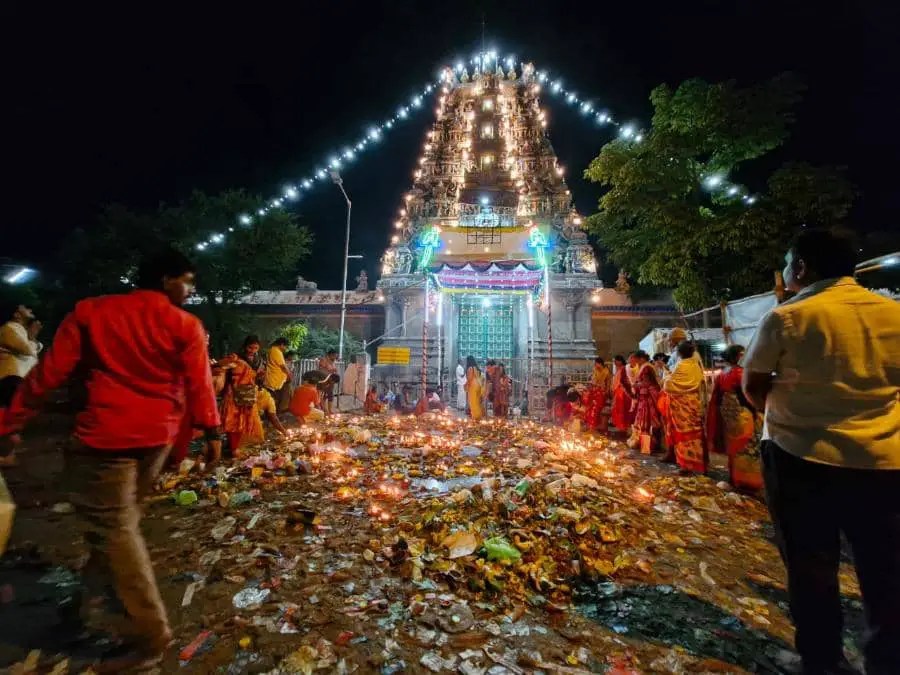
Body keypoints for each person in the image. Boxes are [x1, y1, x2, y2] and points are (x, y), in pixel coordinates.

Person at [0, 248, 220, 671]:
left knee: (114, 530)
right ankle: (85, 613)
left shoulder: (92, 312)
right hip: (152, 440)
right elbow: (199, 384)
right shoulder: (183, 324)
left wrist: (11, 424)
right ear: (164, 279)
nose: (191, 291)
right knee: (116, 530)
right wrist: (210, 433)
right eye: (187, 281)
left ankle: (150, 634)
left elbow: (49, 374)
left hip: (109, 438)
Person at [742, 227, 900, 675]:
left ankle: (822, 661)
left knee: (811, 566)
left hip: (800, 456)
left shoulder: (789, 316)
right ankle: (887, 661)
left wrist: (794, 409)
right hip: (884, 460)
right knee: (885, 570)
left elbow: (753, 386)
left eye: (789, 261)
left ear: (802, 268)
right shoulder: (893, 314)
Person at [705, 344, 762, 491]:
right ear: (737, 356)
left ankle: (735, 478)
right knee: (747, 448)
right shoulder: (741, 374)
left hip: (729, 419)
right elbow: (750, 396)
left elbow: (717, 399)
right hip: (743, 415)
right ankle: (748, 482)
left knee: (734, 449)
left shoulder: (723, 373)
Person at [662, 341, 707, 473]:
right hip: (694, 403)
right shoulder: (696, 366)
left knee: (683, 436)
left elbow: (670, 385)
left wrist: (666, 375)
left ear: (680, 353)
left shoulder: (681, 365)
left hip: (681, 406)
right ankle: (698, 463)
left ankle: (686, 466)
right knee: (695, 435)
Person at [219, 336, 266, 454]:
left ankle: (237, 446)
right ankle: (233, 448)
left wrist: (259, 376)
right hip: (233, 393)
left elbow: (258, 376)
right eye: (250, 347)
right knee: (233, 420)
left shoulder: (259, 360)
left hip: (248, 393)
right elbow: (222, 368)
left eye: (256, 348)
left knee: (245, 420)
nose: (252, 350)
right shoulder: (235, 357)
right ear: (245, 346)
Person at [627, 351, 661, 453]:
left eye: (636, 359)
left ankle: (650, 444)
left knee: (648, 420)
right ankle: (644, 443)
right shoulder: (644, 366)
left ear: (641, 358)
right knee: (642, 420)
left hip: (648, 397)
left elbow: (646, 382)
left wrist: (636, 385)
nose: (636, 362)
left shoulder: (646, 367)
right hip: (644, 396)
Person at [610, 355, 634, 433]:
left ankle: (624, 427)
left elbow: (623, 381)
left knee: (622, 409)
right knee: (618, 409)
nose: (615, 362)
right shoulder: (619, 369)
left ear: (620, 361)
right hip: (619, 391)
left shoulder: (624, 368)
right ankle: (621, 427)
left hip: (622, 392)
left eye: (616, 361)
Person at [317, 349, 338, 414]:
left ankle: (329, 410)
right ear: (330, 355)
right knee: (323, 395)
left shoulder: (333, 361)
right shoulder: (323, 360)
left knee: (330, 395)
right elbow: (320, 371)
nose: (335, 357)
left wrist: (334, 371)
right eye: (334, 356)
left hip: (331, 381)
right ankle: (324, 410)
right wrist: (330, 371)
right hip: (324, 380)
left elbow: (333, 370)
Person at [464, 355, 484, 420]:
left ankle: (475, 417)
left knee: (473, 402)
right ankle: (479, 416)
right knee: (477, 402)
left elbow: (469, 379)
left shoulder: (470, 368)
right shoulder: (476, 368)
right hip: (478, 385)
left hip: (473, 386)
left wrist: (466, 385)